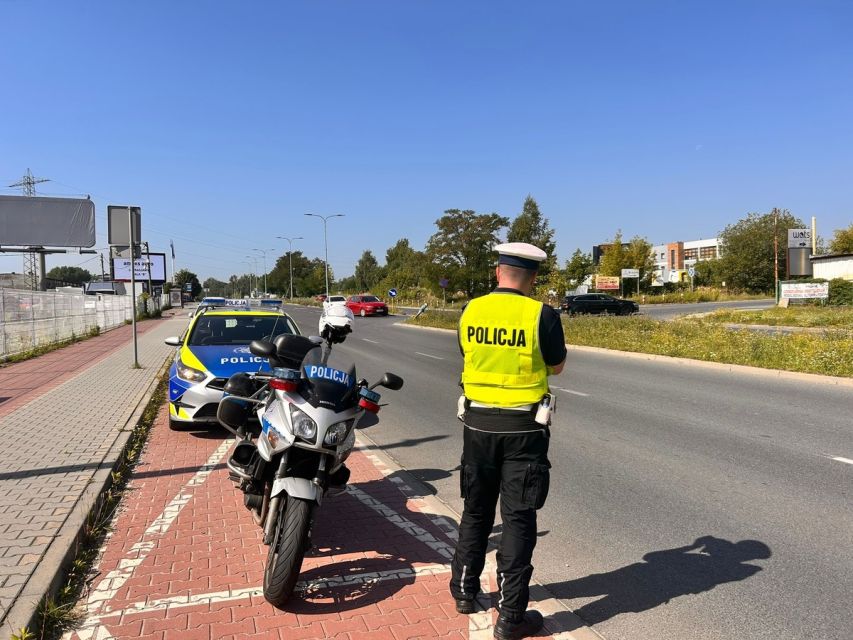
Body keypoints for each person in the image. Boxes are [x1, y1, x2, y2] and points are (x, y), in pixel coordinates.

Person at [449, 242, 567, 640]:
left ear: (498, 272)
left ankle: (464, 591)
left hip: (477, 426)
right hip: (524, 430)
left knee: (476, 509)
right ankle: (511, 615)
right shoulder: (541, 314)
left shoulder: (471, 310)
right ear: (532, 278)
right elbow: (557, 366)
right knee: (518, 519)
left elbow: (467, 352)